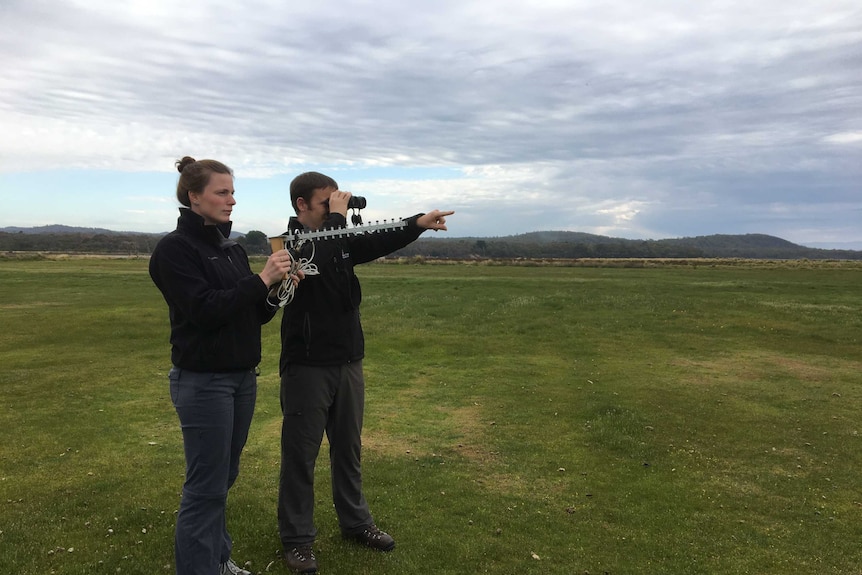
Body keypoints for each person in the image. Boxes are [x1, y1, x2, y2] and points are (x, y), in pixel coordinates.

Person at [276, 171, 454, 574]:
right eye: (326, 203)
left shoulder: (338, 241)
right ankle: (297, 540)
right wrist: (337, 220)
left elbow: (375, 240)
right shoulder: (289, 244)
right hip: (307, 366)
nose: (334, 209)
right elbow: (317, 260)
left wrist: (416, 224)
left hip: (348, 361)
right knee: (301, 457)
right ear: (302, 205)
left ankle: (356, 523)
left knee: (348, 449)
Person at [149, 156, 301, 575]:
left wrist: (278, 287)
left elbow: (251, 314)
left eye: (232, 192)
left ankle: (216, 559)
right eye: (222, 192)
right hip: (203, 383)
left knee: (222, 479)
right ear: (194, 196)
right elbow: (203, 310)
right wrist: (261, 279)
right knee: (205, 489)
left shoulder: (230, 248)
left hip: (241, 379)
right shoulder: (174, 250)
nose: (231, 200)